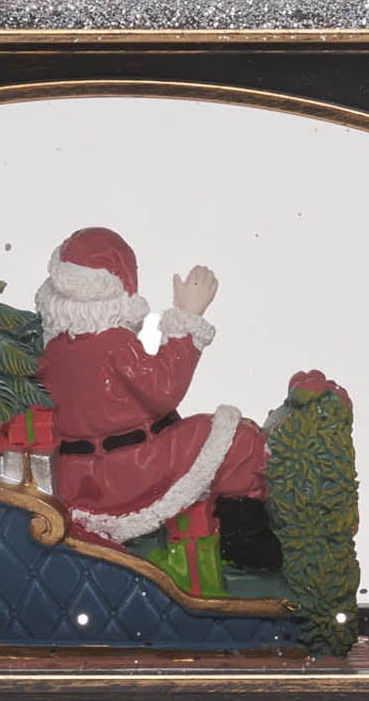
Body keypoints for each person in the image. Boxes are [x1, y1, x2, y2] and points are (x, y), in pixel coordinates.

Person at [34, 227, 271, 555]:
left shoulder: (51, 349)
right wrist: (187, 316)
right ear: (121, 287)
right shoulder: (113, 344)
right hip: (126, 472)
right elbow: (164, 390)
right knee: (238, 440)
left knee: (207, 436)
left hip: (75, 477)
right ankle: (246, 544)